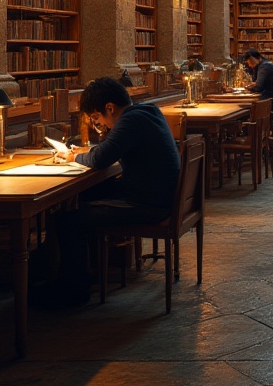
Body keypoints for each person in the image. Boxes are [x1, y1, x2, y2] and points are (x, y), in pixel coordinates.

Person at [36, 76, 181, 307]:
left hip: (148, 205)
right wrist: (92, 148)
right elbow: (108, 150)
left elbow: (101, 158)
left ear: (109, 108)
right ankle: (79, 273)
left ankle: (73, 291)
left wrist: (73, 156)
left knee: (67, 220)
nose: (98, 124)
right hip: (157, 195)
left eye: (96, 118)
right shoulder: (147, 111)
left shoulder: (130, 121)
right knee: (85, 194)